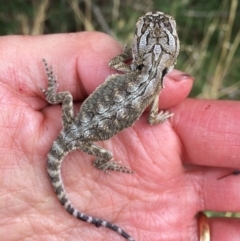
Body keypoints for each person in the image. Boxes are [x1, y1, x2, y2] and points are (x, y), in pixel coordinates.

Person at [0, 32, 239, 241]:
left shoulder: (134, 71)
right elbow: (153, 118)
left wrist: (125, 54)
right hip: (80, 133)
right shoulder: (155, 88)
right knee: (103, 153)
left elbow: (114, 61)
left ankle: (55, 96)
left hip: (76, 126)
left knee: (66, 99)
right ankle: (103, 164)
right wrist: (160, 117)